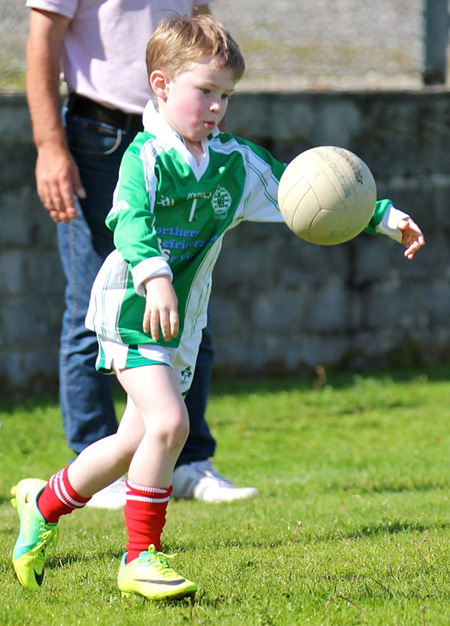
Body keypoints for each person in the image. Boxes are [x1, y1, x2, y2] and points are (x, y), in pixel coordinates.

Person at [11, 13, 425, 601]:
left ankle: (42, 502)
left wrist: (381, 216)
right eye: (204, 91)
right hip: (132, 307)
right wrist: (154, 278)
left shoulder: (233, 161)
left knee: (134, 443)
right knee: (170, 423)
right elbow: (128, 222)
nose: (216, 107)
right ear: (160, 86)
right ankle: (140, 557)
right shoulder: (146, 158)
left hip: (179, 318)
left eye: (225, 95)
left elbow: (301, 193)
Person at [25, 0, 258, 507]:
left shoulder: (218, 134)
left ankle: (190, 462)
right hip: (99, 136)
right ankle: (94, 461)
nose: (223, 102)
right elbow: (42, 41)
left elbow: (201, 23)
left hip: (186, 130)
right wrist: (49, 144)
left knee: (187, 295)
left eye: (227, 95)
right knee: (97, 302)